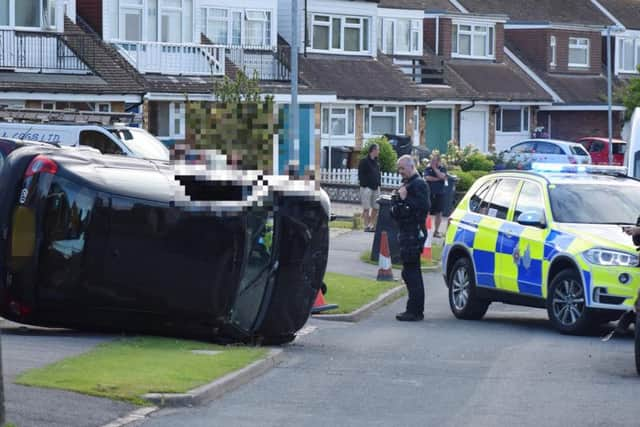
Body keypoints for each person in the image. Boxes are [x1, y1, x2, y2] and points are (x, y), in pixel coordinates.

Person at [390, 155, 431, 321]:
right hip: (406, 231)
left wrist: (405, 199)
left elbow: (423, 208)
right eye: (398, 169)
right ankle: (413, 309)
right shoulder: (408, 184)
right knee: (409, 271)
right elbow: (397, 210)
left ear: (411, 166)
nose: (400, 172)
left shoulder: (418, 184)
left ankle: (415, 310)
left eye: (402, 168)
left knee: (411, 272)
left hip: (413, 233)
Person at [358, 143, 381, 232]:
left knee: (376, 207)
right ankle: (366, 226)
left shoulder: (376, 162)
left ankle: (372, 225)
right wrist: (365, 185)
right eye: (378, 150)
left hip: (376, 187)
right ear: (373, 150)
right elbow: (360, 175)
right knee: (366, 208)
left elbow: (378, 174)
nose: (378, 152)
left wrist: (378, 184)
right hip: (366, 188)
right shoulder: (364, 161)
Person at [424, 153, 448, 238]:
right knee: (427, 212)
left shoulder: (443, 168)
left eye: (434, 160)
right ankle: (426, 230)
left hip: (440, 193)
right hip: (429, 193)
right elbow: (427, 178)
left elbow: (443, 176)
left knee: (439, 213)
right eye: (432, 160)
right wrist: (438, 179)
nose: (432, 162)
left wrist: (435, 169)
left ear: (438, 161)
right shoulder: (428, 168)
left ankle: (436, 231)